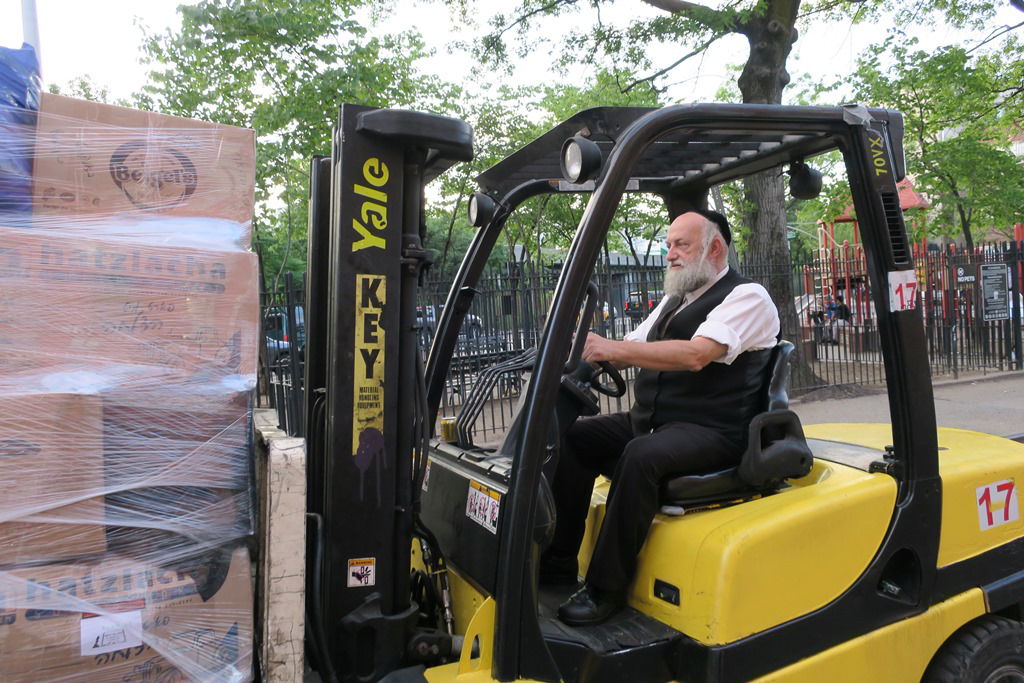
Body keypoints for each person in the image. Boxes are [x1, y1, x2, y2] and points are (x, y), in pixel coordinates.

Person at [540, 209, 781, 626]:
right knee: (575, 439)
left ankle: (605, 590)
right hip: (657, 420)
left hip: (716, 431)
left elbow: (696, 354)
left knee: (640, 454)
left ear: (716, 248)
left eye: (680, 245)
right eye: (669, 245)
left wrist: (610, 349)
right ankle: (558, 561)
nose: (669, 254)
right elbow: (632, 343)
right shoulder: (675, 301)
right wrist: (583, 346)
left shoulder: (748, 296)